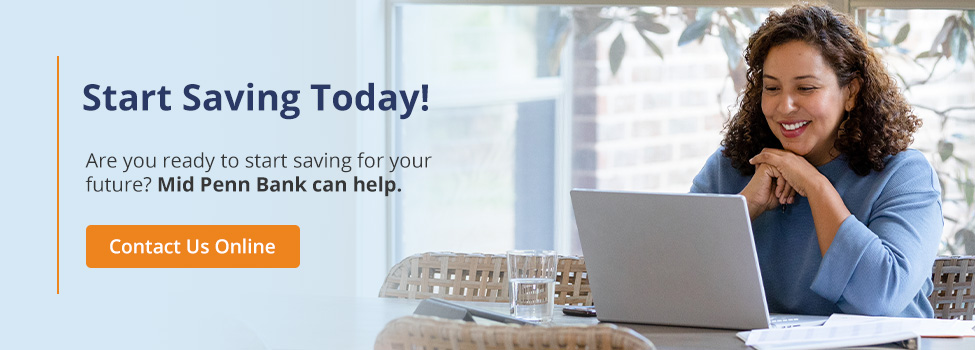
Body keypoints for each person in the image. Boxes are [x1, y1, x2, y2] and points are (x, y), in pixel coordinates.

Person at [690, 4, 942, 317]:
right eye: (772, 88)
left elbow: (882, 296)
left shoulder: (905, 176)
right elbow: (673, 278)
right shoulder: (732, 166)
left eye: (806, 88)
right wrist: (745, 208)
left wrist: (816, 187)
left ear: (850, 92)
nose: (784, 106)